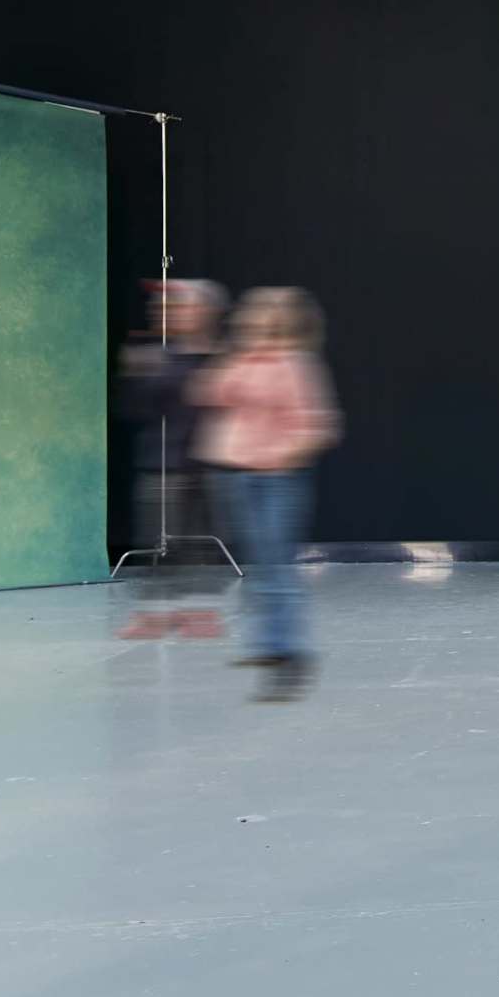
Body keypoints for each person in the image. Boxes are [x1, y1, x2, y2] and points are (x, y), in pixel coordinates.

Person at [194, 287, 338, 700]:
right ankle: (267, 645)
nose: (254, 318)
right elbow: (209, 393)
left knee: (278, 567)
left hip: (278, 479)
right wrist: (234, 354)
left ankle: (292, 656)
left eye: (264, 313)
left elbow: (318, 425)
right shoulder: (243, 359)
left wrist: (280, 453)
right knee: (260, 566)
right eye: (250, 313)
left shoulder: (296, 365)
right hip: (237, 475)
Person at [113, 279, 232, 639]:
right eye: (166, 309)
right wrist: (135, 374)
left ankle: (200, 614)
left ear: (206, 313)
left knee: (199, 548)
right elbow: (133, 409)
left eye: (180, 307)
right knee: (160, 546)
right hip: (163, 465)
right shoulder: (157, 355)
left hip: (210, 466)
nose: (168, 313)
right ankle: (154, 616)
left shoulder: (222, 355)